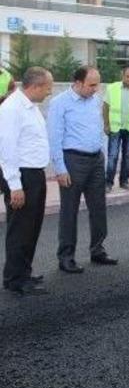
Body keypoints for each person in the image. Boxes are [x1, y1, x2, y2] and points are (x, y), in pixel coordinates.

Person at [48, 65, 117, 274]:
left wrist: (101, 153)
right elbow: (54, 138)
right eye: (92, 85)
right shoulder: (59, 103)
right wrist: (60, 168)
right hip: (72, 161)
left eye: (98, 84)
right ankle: (66, 256)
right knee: (70, 210)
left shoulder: (94, 100)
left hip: (96, 160)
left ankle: (98, 250)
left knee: (99, 208)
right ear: (78, 83)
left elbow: (96, 128)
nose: (96, 89)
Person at [0, 67, 53, 295]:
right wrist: (15, 186)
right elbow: (7, 150)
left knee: (31, 226)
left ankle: (24, 271)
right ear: (36, 86)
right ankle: (14, 278)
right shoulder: (12, 109)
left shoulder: (31, 107)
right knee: (20, 228)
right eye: (48, 89)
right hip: (21, 176)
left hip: (34, 173)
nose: (49, 93)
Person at [103, 65, 129, 193]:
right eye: (127, 77)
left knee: (127, 156)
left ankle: (124, 181)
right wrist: (106, 124)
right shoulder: (112, 88)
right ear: (122, 75)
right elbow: (105, 107)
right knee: (112, 155)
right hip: (115, 128)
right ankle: (108, 182)